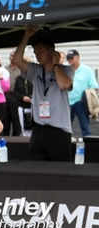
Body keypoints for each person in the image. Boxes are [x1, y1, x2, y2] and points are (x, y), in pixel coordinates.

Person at [13, 25, 74, 161]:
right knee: (37, 166)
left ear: (51, 51)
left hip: (59, 128)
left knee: (60, 168)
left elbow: (64, 84)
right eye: (35, 52)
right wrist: (27, 36)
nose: (37, 55)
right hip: (39, 127)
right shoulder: (35, 70)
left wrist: (56, 64)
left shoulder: (66, 70)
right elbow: (17, 60)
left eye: (40, 51)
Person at [66, 49, 98, 137]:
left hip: (81, 102)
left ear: (78, 57)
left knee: (85, 129)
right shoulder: (66, 70)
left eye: (71, 58)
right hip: (67, 102)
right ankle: (67, 147)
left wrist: (85, 99)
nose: (69, 60)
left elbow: (94, 87)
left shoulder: (86, 70)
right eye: (68, 58)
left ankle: (88, 147)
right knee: (66, 128)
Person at [12, 56, 35, 137]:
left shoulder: (35, 78)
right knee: (25, 129)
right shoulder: (19, 78)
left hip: (34, 106)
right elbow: (15, 91)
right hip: (22, 106)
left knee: (36, 128)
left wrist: (32, 98)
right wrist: (22, 97)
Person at [3, 51, 23, 136]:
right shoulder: (5, 69)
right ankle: (6, 137)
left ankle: (16, 137)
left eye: (14, 56)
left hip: (16, 96)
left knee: (16, 118)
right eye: (11, 56)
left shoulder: (21, 69)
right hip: (6, 95)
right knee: (5, 118)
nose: (12, 58)